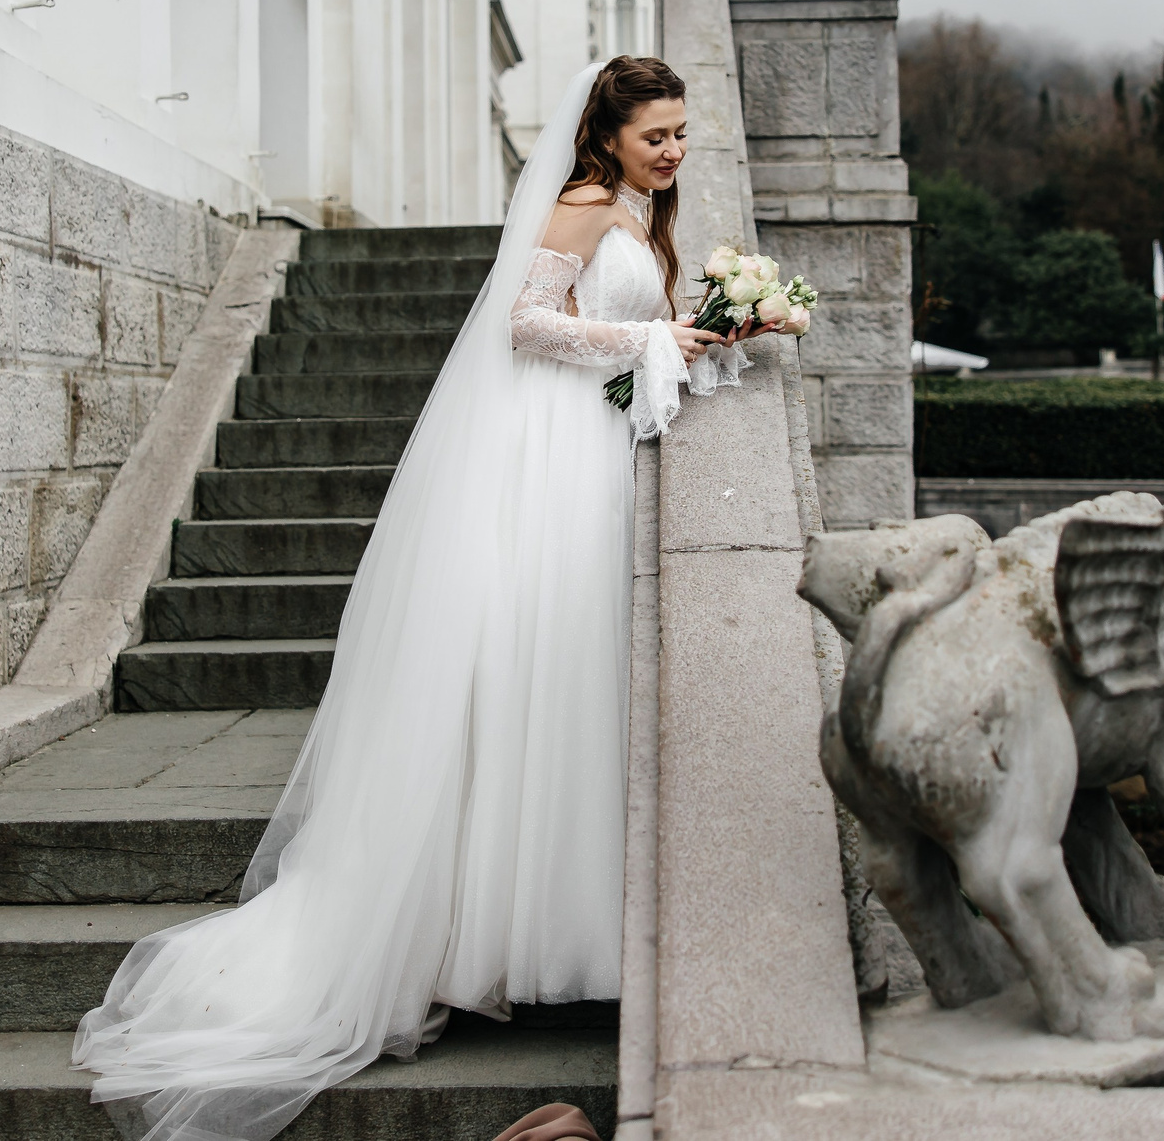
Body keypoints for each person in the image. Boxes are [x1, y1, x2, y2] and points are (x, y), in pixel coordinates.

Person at [71, 58, 749, 1141]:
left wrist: (708, 338)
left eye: (679, 135)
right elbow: (527, 325)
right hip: (547, 462)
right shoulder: (580, 207)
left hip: (591, 448)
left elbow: (614, 350)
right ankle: (452, 941)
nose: (671, 153)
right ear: (607, 137)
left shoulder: (633, 215)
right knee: (531, 668)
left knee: (570, 683)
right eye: (654, 136)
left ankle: (526, 931)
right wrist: (650, 338)